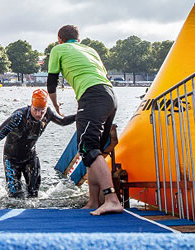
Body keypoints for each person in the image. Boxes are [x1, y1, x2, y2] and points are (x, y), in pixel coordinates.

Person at [47, 24, 122, 215]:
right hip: (110, 96)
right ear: (78, 39)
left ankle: (112, 199)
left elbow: (52, 81)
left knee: (88, 148)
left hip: (92, 96)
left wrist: (55, 106)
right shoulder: (90, 50)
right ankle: (93, 201)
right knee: (91, 151)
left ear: (59, 39)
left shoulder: (58, 49)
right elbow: (101, 74)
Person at [0, 89, 75, 198]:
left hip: (30, 157)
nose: (39, 114)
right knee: (16, 196)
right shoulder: (18, 117)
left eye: (42, 110)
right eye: (35, 110)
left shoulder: (48, 113)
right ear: (31, 106)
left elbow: (63, 122)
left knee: (34, 193)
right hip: (11, 159)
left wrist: (79, 115)